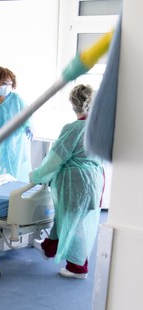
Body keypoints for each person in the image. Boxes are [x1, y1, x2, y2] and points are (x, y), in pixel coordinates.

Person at [30, 84, 104, 279]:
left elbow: (55, 159)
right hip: (94, 179)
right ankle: (50, 248)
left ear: (74, 104)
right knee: (66, 218)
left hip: (76, 182)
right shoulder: (101, 127)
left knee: (74, 222)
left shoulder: (74, 129)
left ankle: (78, 267)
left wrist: (37, 176)